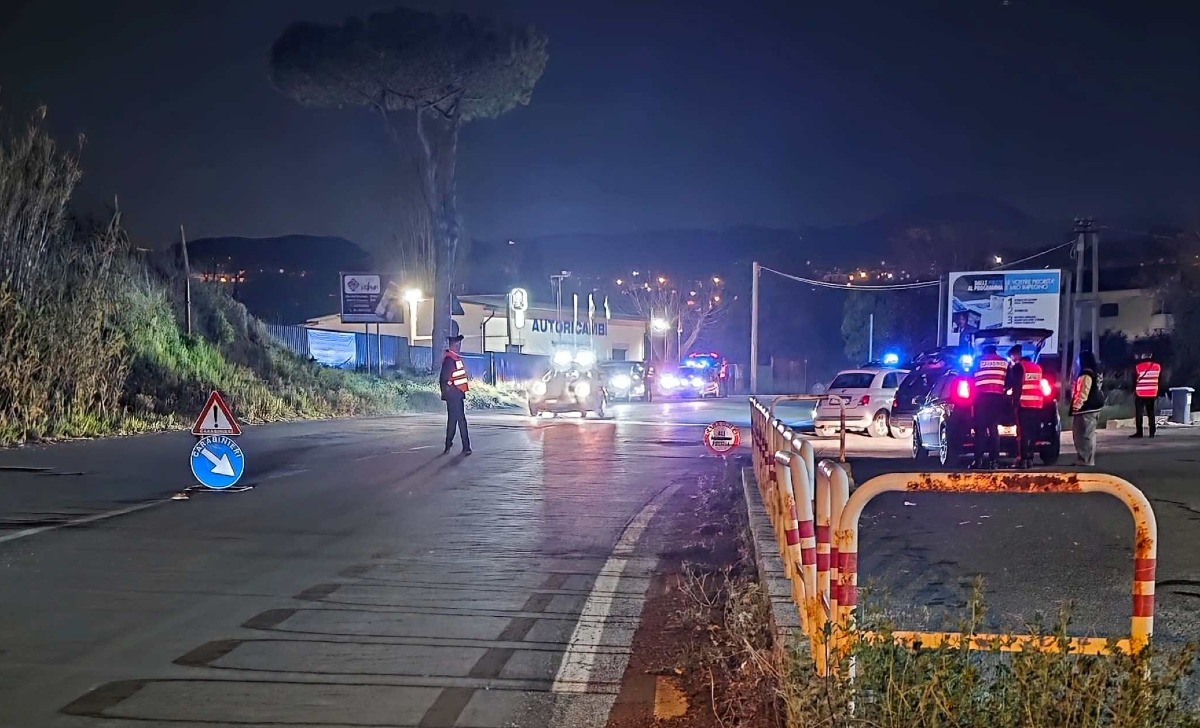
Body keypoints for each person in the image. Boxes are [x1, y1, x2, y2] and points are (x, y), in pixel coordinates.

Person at [971, 344, 1008, 469]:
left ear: (984, 351)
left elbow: (970, 378)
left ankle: (978, 460)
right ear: (995, 351)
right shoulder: (1004, 362)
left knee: (980, 431)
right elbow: (1009, 381)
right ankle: (994, 462)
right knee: (994, 430)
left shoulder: (978, 360)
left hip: (981, 398)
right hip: (997, 399)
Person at [1071, 351, 1105, 467]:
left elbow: (1083, 392)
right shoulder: (1095, 373)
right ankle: (1085, 458)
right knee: (1088, 434)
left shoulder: (1086, 374)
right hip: (1093, 407)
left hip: (1086, 409)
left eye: (1078, 360)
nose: (1077, 362)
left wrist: (1076, 406)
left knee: (1083, 435)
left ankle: (1086, 460)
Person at [440, 334, 472, 455]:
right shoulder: (450, 360)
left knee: (453, 421)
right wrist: (450, 391)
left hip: (457, 394)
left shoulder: (455, 358)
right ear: (453, 345)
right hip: (454, 395)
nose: (459, 347)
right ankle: (466, 446)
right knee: (460, 420)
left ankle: (449, 444)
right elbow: (445, 378)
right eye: (457, 344)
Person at [1015, 355, 1044, 469]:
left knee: (1024, 433)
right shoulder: (1038, 368)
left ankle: (1023, 459)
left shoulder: (1020, 367)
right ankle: (1030, 458)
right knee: (1032, 433)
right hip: (1037, 404)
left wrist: (1014, 401)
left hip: (1024, 404)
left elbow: (1016, 385)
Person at [1131, 350, 1162, 439]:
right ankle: (1152, 432)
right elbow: (1160, 379)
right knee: (1151, 412)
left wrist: (1133, 390)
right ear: (1151, 355)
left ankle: (1139, 432)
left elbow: (1134, 380)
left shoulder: (1138, 366)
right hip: (1152, 392)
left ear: (1143, 356)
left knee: (1139, 413)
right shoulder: (1157, 366)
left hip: (1140, 392)